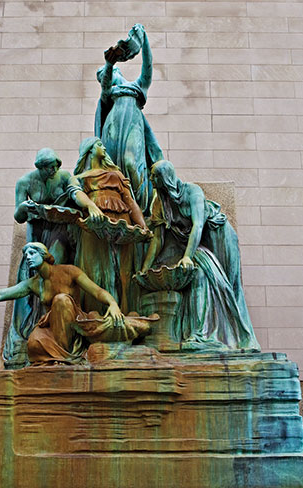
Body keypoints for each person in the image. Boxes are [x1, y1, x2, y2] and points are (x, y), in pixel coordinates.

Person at [0, 242, 148, 365]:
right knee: (33, 344)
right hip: (52, 328)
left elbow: (97, 291)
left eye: (32, 254)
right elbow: (0, 294)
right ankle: (60, 359)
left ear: (44, 256)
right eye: (26, 255)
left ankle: (68, 355)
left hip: (73, 326)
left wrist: (113, 304)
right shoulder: (34, 284)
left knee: (61, 300)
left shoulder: (69, 271)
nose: (28, 258)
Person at [141, 160, 260, 351]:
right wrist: (146, 267)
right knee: (202, 274)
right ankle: (203, 332)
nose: (150, 178)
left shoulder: (192, 191)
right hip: (191, 243)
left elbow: (198, 225)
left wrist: (187, 256)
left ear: (165, 177)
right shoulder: (160, 202)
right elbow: (157, 239)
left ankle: (239, 337)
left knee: (230, 284)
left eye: (154, 175)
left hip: (217, 235)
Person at [5, 148, 76, 366]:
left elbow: (75, 197)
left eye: (56, 166)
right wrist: (24, 208)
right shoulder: (25, 182)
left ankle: (56, 324)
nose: (54, 170)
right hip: (36, 232)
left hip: (60, 230)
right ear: (40, 167)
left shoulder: (64, 177)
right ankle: (32, 327)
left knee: (53, 269)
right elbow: (18, 216)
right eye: (50, 168)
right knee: (30, 275)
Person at [68, 137, 147, 314]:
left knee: (124, 272)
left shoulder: (116, 175)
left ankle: (125, 313)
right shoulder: (78, 178)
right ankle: (96, 314)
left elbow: (130, 201)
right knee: (95, 269)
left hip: (122, 225)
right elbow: (75, 194)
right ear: (89, 150)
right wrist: (91, 206)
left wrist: (142, 226)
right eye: (99, 145)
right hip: (94, 227)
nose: (103, 148)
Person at [95, 23, 164, 214]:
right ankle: (120, 207)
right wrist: (109, 64)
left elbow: (148, 67)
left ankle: (139, 209)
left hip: (133, 123)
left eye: (107, 73)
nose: (105, 77)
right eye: (102, 76)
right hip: (113, 125)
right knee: (114, 168)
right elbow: (105, 88)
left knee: (131, 163)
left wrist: (144, 41)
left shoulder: (137, 87)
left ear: (120, 74)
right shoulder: (110, 92)